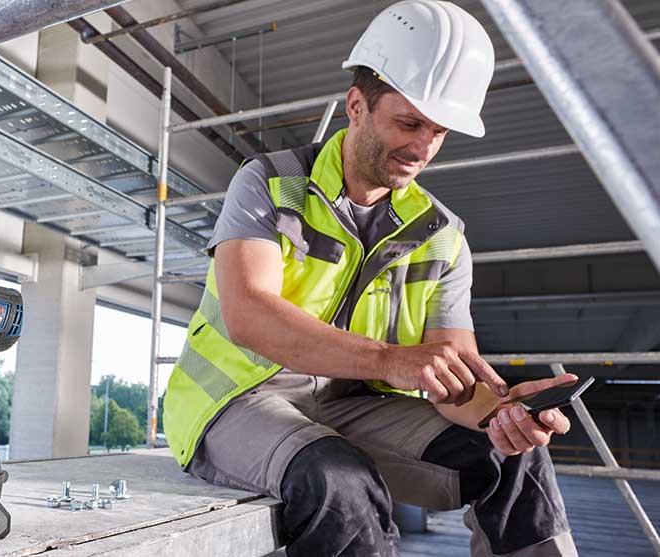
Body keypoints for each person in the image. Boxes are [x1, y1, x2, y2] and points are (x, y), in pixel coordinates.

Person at [161, 1, 578, 555]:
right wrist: (389, 359)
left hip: (353, 406)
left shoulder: (441, 234)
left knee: (516, 459)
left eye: (439, 131)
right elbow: (248, 315)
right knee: (339, 482)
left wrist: (500, 413)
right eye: (409, 123)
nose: (422, 148)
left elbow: (455, 377)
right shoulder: (271, 184)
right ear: (356, 106)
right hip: (238, 403)